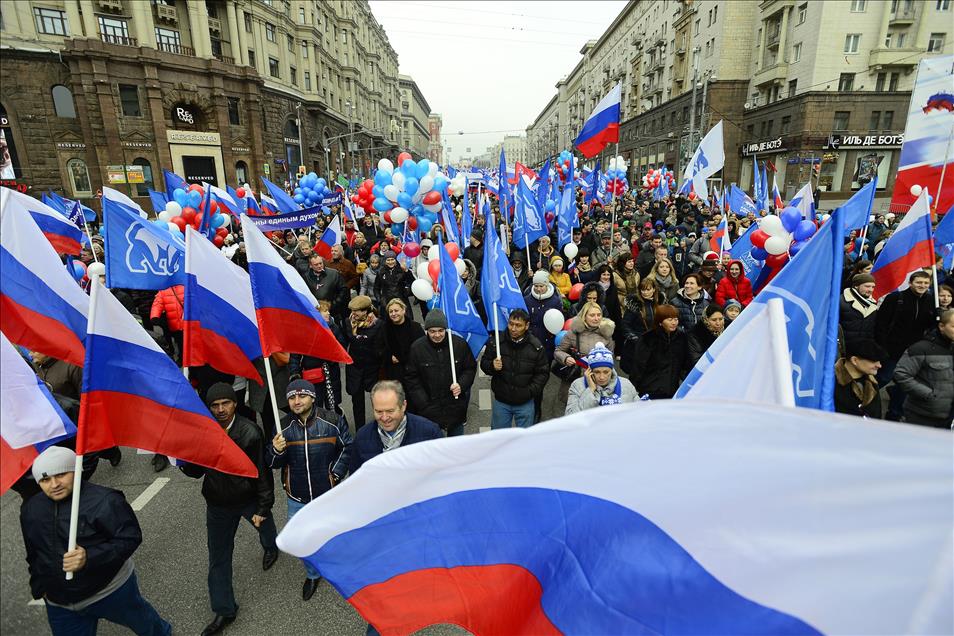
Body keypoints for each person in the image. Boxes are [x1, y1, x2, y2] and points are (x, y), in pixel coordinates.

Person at [20, 446, 171, 636]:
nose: (54, 484)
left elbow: (130, 538)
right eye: (45, 479)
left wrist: (89, 557)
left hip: (110, 591)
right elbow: (34, 552)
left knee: (148, 626)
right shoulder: (31, 509)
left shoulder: (106, 500)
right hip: (60, 604)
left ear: (76, 471)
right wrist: (40, 588)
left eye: (61, 475)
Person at [179, 383, 278, 636]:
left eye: (226, 403)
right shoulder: (204, 433)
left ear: (235, 404)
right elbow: (196, 471)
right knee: (218, 559)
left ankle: (271, 546)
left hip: (249, 501)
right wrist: (183, 457)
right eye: (215, 405)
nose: (221, 410)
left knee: (265, 529)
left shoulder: (251, 433)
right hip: (217, 506)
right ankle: (224, 609)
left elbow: (262, 474)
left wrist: (264, 507)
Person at [268, 379, 353, 599]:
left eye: (302, 396)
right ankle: (313, 574)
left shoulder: (333, 421)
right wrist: (276, 451)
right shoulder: (282, 427)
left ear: (313, 397)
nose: (296, 401)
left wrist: (334, 474)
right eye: (291, 397)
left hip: (328, 494)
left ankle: (336, 566)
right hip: (297, 496)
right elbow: (271, 463)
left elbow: (347, 448)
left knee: (332, 533)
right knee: (303, 539)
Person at [875, 270, 936, 420]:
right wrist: (881, 346)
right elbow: (881, 324)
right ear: (910, 283)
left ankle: (894, 414)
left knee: (904, 385)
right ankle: (860, 401)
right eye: (919, 282)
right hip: (892, 349)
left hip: (914, 352)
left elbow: (929, 326)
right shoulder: (896, 298)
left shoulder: (930, 301)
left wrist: (937, 316)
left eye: (926, 283)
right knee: (882, 378)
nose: (922, 285)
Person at [404, 309, 477, 436]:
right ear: (426, 330)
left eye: (440, 331)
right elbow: (411, 378)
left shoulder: (459, 345)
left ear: (445, 329)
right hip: (429, 410)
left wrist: (461, 384)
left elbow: (470, 368)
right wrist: (423, 403)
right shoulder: (417, 348)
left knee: (456, 448)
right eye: (432, 331)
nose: (437, 335)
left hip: (455, 408)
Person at [350, 381, 442, 473]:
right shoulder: (362, 437)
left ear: (403, 406)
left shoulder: (430, 433)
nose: (385, 418)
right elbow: (355, 480)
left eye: (390, 411)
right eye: (379, 412)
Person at [480, 309, 550, 429]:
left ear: (527, 326)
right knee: (499, 438)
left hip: (525, 403)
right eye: (511, 324)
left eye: (518, 325)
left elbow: (542, 373)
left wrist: (529, 392)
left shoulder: (536, 347)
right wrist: (492, 366)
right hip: (501, 401)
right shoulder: (496, 342)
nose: (513, 328)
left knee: (523, 441)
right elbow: (484, 363)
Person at [893, 309, 954, 429]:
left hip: (949, 417)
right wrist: (929, 395)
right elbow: (901, 374)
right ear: (941, 326)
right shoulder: (920, 348)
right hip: (922, 416)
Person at [554, 301, 615, 404]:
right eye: (592, 315)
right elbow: (558, 351)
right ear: (584, 316)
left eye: (599, 315)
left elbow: (610, 358)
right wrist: (566, 358)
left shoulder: (606, 333)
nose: (596, 318)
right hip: (576, 377)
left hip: (599, 380)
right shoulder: (573, 332)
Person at [628, 304, 690, 399]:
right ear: (660, 321)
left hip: (672, 389)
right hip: (650, 389)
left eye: (676, 319)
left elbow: (685, 363)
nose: (674, 322)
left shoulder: (682, 337)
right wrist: (633, 387)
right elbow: (638, 365)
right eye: (670, 320)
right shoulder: (648, 338)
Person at [343, 295, 384, 431]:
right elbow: (343, 342)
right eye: (353, 310)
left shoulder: (378, 324)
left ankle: (380, 426)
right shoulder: (348, 322)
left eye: (358, 310)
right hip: (354, 367)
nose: (354, 314)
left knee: (377, 400)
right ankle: (360, 430)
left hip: (372, 367)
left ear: (366, 311)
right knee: (357, 401)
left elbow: (381, 347)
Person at [565, 343, 638, 414]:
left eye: (606, 372)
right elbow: (570, 416)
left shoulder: (626, 384)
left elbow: (638, 412)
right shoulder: (577, 385)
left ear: (612, 370)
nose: (602, 377)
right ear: (589, 371)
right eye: (597, 372)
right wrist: (590, 390)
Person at [834, 339, 886, 419]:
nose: (879, 365)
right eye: (874, 361)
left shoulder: (872, 384)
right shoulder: (830, 382)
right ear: (854, 360)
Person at [381, 298, 424, 388]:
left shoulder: (415, 327)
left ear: (403, 310)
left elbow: (422, 348)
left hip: (413, 372)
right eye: (391, 311)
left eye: (396, 310)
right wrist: (389, 357)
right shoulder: (384, 329)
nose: (393, 314)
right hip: (393, 373)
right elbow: (378, 348)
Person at [524, 270, 564, 360]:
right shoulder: (527, 300)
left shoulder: (555, 301)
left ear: (546, 285)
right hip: (531, 341)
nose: (538, 289)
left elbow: (560, 320)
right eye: (536, 286)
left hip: (548, 342)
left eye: (541, 286)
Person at [304, 254, 348, 325]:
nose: (319, 266)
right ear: (310, 265)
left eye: (320, 263)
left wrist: (333, 304)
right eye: (316, 264)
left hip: (332, 312)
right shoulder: (306, 277)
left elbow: (343, 290)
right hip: (316, 313)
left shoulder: (334, 274)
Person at [839, 273, 878, 343]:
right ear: (856, 286)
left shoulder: (873, 304)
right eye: (867, 286)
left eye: (873, 287)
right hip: (844, 348)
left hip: (864, 348)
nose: (871, 290)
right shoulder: (841, 301)